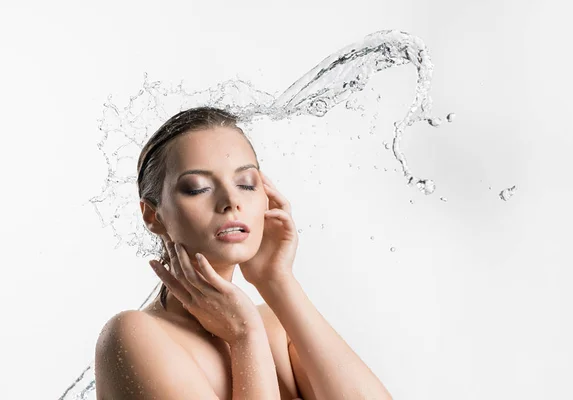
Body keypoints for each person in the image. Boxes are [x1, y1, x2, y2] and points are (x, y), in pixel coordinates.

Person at [93, 106, 392, 399]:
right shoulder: (133, 336)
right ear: (153, 215)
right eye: (197, 188)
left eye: (246, 184)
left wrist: (276, 280)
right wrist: (245, 338)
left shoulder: (275, 327)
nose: (231, 201)